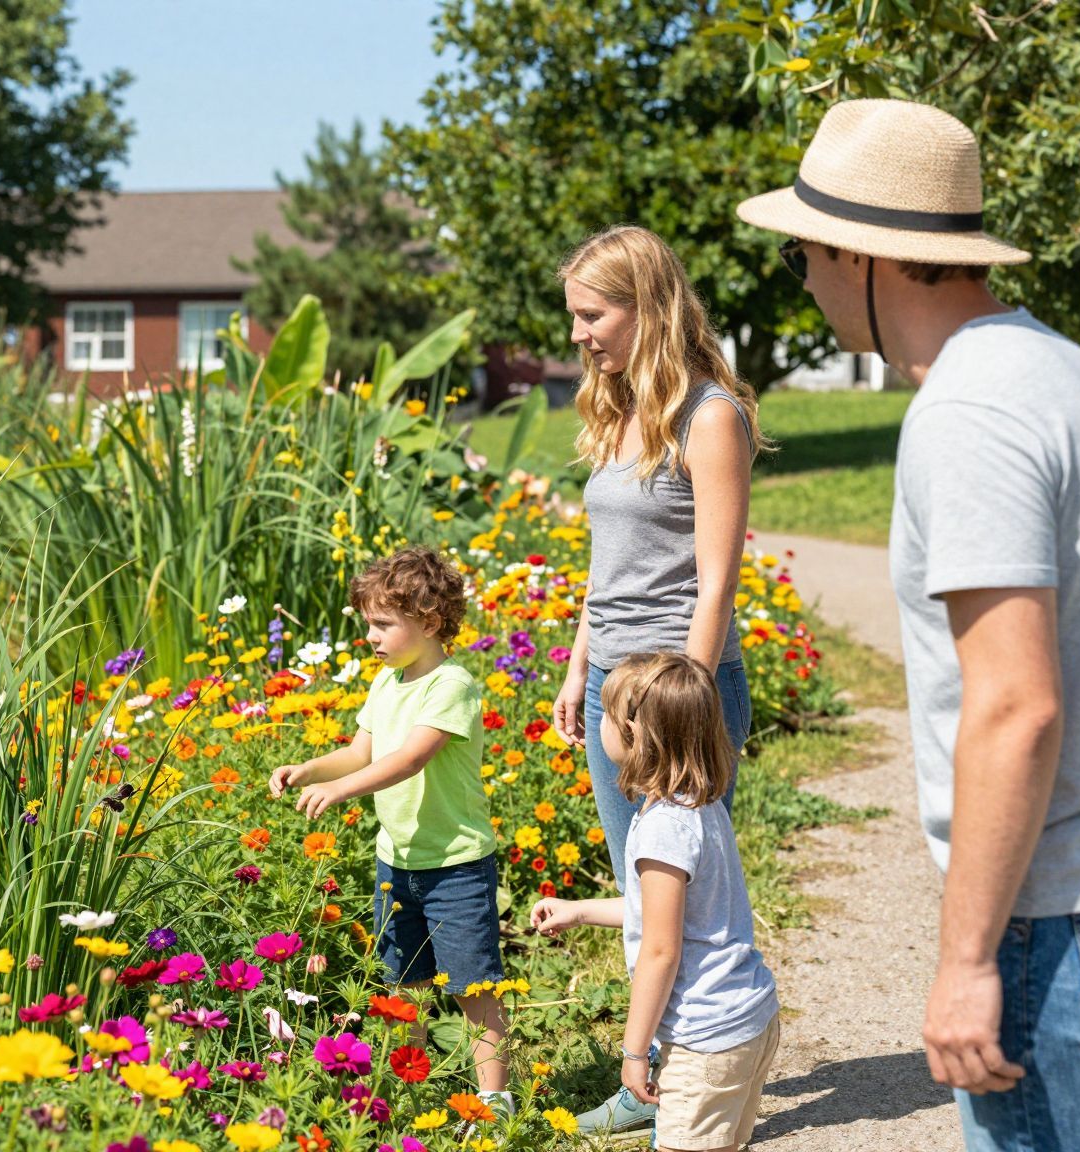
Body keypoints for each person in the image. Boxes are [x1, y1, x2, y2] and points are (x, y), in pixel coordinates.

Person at [737, 98, 1080, 1151]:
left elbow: (1014, 703)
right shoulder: (1056, 367)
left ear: (855, 254)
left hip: (1066, 910)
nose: (804, 284)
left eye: (800, 258)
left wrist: (964, 963)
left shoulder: (965, 414)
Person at [548, 225, 762, 892]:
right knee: (637, 895)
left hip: (677, 689)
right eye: (575, 317)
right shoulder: (617, 412)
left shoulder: (710, 417)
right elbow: (608, 562)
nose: (580, 335)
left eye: (593, 316)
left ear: (648, 306)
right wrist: (580, 666)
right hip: (611, 685)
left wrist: (687, 711)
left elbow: (717, 585)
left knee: (684, 902)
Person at [268, 546, 512, 1115]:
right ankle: (412, 1086)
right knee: (406, 984)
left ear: (428, 622)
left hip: (455, 863)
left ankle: (494, 1098)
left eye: (382, 624)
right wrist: (310, 770)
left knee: (474, 987)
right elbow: (362, 752)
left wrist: (339, 791)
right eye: (368, 624)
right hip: (396, 863)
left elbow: (408, 759)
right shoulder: (387, 683)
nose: (370, 637)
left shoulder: (451, 685)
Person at [531, 652, 780, 1149]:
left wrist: (634, 1050)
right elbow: (665, 913)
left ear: (633, 733)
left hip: (704, 1041)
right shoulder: (697, 802)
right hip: (748, 1018)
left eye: (605, 713)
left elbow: (661, 950)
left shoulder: (663, 830)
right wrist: (579, 910)